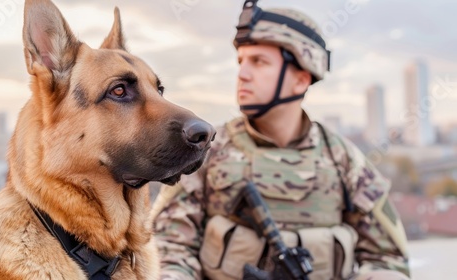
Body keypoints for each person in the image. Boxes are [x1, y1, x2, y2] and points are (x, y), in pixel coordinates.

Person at [153, 1, 411, 279]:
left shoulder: (343, 161)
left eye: (259, 62)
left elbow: (389, 261)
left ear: (300, 79)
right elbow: (167, 251)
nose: (243, 74)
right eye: (241, 61)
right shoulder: (207, 151)